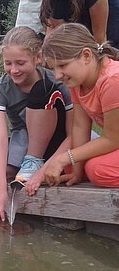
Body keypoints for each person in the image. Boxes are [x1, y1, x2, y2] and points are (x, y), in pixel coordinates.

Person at [0, 26, 73, 221]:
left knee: (40, 91)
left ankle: (36, 164)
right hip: (23, 139)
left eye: (20, 63)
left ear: (38, 58)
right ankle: (25, 166)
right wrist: (0, 191)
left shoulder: (56, 81)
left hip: (57, 139)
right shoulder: (0, 89)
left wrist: (42, 173)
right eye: (8, 63)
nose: (13, 70)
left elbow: (74, 132)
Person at [42, 23, 119, 187]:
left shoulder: (112, 80)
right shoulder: (78, 82)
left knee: (97, 169)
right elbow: (79, 127)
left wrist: (64, 157)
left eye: (62, 65)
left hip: (115, 139)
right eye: (53, 68)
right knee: (71, 166)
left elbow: (113, 139)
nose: (57, 76)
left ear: (86, 55)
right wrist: (76, 172)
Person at [39, 0, 119, 48]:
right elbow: (59, 34)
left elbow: (100, 39)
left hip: (108, 28)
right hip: (77, 25)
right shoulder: (54, 2)